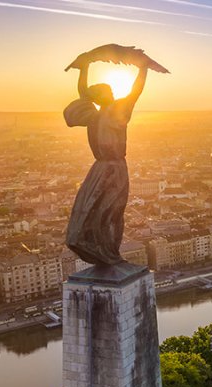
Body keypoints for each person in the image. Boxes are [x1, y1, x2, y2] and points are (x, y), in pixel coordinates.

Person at [63, 58, 148, 266]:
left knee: (110, 211)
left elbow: (136, 91)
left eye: (109, 90)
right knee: (90, 210)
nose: (110, 93)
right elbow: (84, 94)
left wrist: (143, 69)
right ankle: (98, 249)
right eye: (105, 91)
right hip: (102, 169)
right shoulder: (95, 115)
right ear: (100, 98)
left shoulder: (118, 110)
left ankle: (110, 252)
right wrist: (84, 68)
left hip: (114, 168)